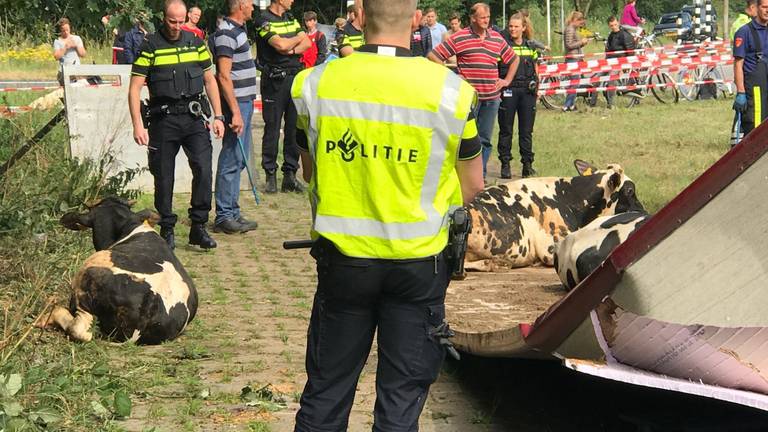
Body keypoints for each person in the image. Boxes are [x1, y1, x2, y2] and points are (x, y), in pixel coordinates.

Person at [290, 0, 484, 429]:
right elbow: (472, 186)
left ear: (360, 19)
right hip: (419, 266)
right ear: (416, 20)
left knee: (325, 393)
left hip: (344, 263)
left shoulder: (314, 84)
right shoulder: (452, 91)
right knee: (400, 403)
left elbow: (309, 170)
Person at [128, 0, 225, 250]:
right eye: (172, 21)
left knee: (204, 170)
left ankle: (198, 227)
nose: (177, 26)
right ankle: (167, 229)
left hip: (194, 119)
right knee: (164, 177)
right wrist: (138, 125)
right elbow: (135, 88)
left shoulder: (195, 43)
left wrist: (218, 116)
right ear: (164, 17)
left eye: (181, 21)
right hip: (163, 121)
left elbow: (210, 81)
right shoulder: (150, 46)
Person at [429, 2, 519, 179]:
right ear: (473, 18)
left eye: (487, 17)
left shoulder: (496, 38)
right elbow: (433, 56)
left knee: (485, 140)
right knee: (465, 140)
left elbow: (514, 59)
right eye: (482, 17)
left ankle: (480, 177)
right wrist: (454, 78)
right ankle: (461, 177)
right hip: (469, 99)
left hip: (492, 98)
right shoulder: (461, 37)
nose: (486, 20)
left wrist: (506, 80)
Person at [211, 0, 260, 234]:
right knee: (231, 158)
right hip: (236, 104)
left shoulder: (239, 30)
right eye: (251, 3)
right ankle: (223, 215)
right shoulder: (226, 33)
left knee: (239, 158)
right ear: (241, 4)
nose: (254, 7)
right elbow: (223, 75)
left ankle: (232, 211)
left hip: (245, 102)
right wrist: (236, 112)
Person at [254, 0, 311, 193]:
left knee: (294, 127)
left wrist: (290, 48)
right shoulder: (262, 19)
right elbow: (279, 44)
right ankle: (270, 175)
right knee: (272, 127)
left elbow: (308, 42)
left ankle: (290, 175)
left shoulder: (291, 18)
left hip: (295, 77)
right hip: (274, 81)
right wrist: (295, 40)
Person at [497, 13, 539, 179]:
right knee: (506, 129)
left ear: (523, 28)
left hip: (527, 93)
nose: (513, 29)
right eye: (510, 26)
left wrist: (537, 88)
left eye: (516, 26)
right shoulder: (504, 46)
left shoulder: (530, 46)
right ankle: (505, 164)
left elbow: (536, 69)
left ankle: (527, 165)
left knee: (526, 131)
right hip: (509, 91)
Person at [733, 0, 768, 135]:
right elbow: (738, 64)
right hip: (754, 90)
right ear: (756, 8)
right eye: (764, 7)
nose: (767, 10)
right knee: (756, 126)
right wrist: (741, 92)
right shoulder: (744, 32)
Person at [597, 16, 636, 108]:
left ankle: (611, 104)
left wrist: (627, 65)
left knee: (611, 80)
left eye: (615, 24)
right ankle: (592, 103)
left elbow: (630, 51)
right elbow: (608, 50)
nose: (614, 27)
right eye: (611, 25)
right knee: (596, 79)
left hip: (620, 62)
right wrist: (605, 61)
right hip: (610, 61)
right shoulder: (611, 35)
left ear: (618, 23)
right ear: (609, 26)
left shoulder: (625, 35)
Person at [562, 11, 592, 112]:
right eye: (580, 22)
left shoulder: (572, 29)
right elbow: (569, 45)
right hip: (572, 59)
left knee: (576, 82)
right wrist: (581, 42)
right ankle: (566, 105)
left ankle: (571, 105)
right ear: (575, 20)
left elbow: (573, 44)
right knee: (574, 83)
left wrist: (583, 44)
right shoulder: (570, 29)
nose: (581, 24)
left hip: (575, 58)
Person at [53, 18, 86, 85]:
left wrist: (76, 46)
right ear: (60, 31)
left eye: (67, 30)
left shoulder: (76, 38)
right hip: (64, 71)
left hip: (76, 69)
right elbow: (56, 56)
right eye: (63, 31)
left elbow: (83, 54)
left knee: (83, 84)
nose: (66, 32)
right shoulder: (57, 41)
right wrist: (65, 48)